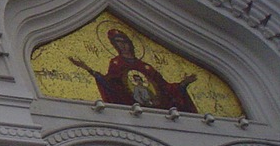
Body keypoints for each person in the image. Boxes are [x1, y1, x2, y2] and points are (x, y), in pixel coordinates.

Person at [69, 29, 197, 112]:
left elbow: (164, 87)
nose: (122, 45)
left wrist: (183, 84)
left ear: (130, 43)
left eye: (124, 42)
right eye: (118, 42)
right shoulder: (116, 63)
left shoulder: (145, 66)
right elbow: (110, 84)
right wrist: (86, 68)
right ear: (115, 45)